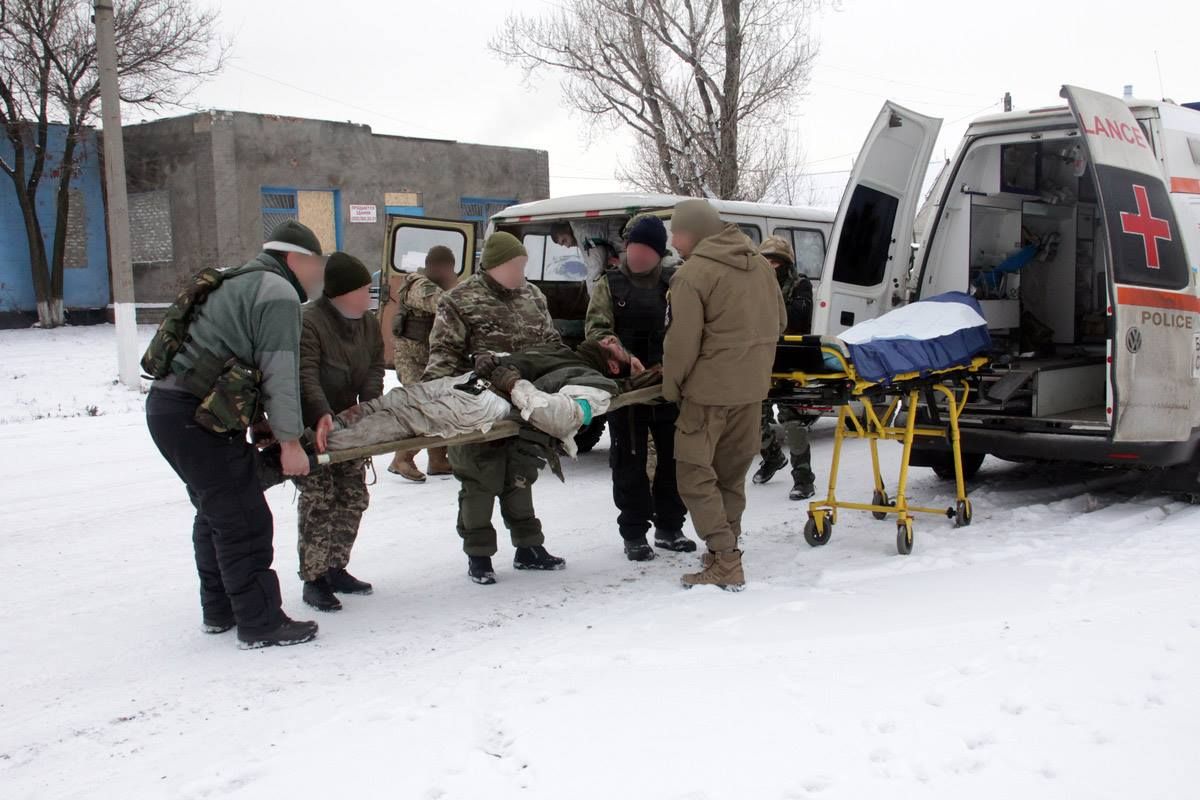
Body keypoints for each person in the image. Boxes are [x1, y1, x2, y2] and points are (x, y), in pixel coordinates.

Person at [144, 220, 324, 648]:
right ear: (294, 258)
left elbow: (239, 365)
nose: (318, 275)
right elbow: (281, 374)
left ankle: (221, 609)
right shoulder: (278, 293)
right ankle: (261, 624)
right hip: (198, 419)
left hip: (170, 410)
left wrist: (260, 420)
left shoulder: (237, 280)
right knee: (244, 519)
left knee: (218, 513)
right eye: (316, 264)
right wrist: (290, 443)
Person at [423, 231, 568, 585]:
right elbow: (441, 360)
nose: (521, 273)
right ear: (496, 265)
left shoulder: (532, 295)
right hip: (477, 407)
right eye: (516, 266)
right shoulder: (458, 300)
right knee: (479, 481)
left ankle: (529, 547)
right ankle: (479, 556)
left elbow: (551, 343)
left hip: (524, 402)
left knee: (521, 475)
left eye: (523, 266)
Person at [662, 200, 787, 591]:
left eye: (676, 233)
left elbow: (682, 344)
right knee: (731, 476)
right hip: (752, 391)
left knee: (694, 474)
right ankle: (723, 549)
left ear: (694, 232)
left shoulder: (692, 275)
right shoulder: (761, 266)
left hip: (708, 393)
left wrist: (672, 386)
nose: (672, 241)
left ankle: (726, 560)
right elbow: (780, 322)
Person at [585, 214, 693, 561]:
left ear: (659, 253)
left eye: (647, 250)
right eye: (634, 248)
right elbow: (596, 331)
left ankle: (670, 527)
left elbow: (690, 329)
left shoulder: (675, 283)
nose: (639, 255)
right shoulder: (609, 284)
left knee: (673, 458)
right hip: (627, 388)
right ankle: (633, 533)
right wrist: (620, 352)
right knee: (628, 461)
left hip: (668, 384)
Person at [294, 252, 386, 612]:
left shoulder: (367, 323)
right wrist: (323, 414)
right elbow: (305, 375)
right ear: (342, 292)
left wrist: (371, 405)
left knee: (352, 495)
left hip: (351, 423)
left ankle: (336, 568)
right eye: (364, 289)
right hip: (312, 424)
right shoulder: (309, 322)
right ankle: (313, 580)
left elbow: (376, 365)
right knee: (319, 500)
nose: (369, 295)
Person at [753, 235, 818, 501]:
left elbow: (797, 317)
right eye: (765, 261)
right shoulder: (753, 287)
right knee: (753, 418)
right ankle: (772, 457)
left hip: (790, 360)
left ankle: (803, 478)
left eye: (775, 262)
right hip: (759, 358)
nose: (770, 266)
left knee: (793, 422)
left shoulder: (800, 285)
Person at [388, 245, 459, 482]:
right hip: (411, 360)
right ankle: (402, 458)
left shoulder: (437, 284)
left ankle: (438, 459)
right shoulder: (418, 284)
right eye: (447, 269)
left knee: (440, 404)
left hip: (428, 359)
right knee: (423, 408)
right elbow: (441, 303)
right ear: (435, 267)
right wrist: (457, 286)